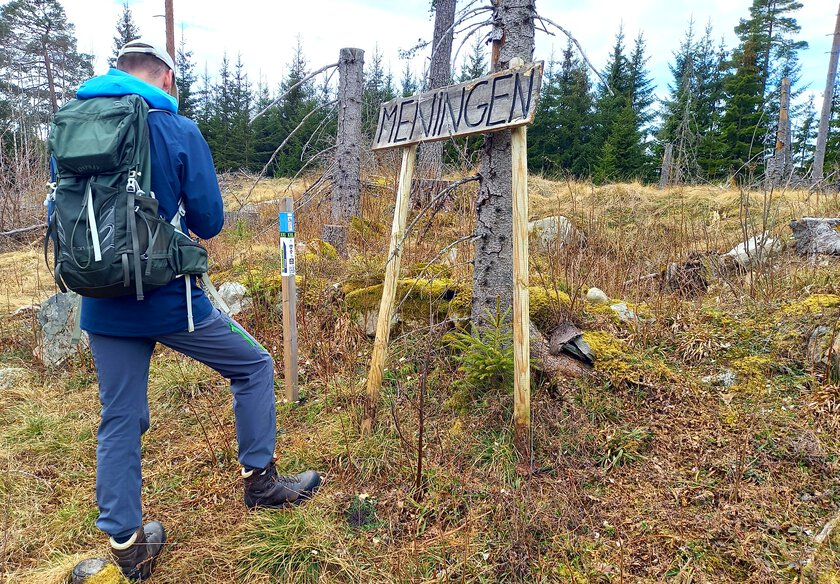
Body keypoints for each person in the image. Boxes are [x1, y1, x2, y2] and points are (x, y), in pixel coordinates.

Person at [73, 39, 322, 581]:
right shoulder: (177, 129)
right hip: (170, 300)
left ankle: (127, 545)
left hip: (100, 303)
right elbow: (208, 221)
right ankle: (260, 482)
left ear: (119, 73)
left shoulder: (75, 123)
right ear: (164, 78)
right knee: (253, 365)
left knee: (119, 418)